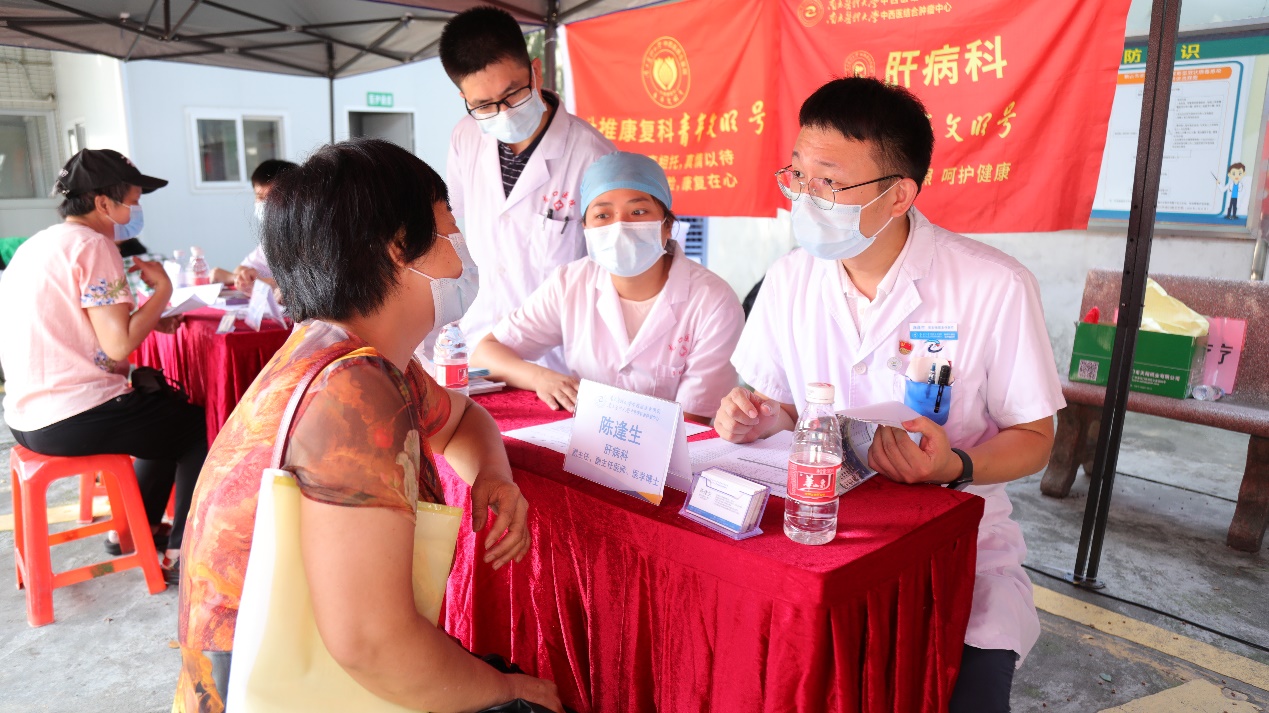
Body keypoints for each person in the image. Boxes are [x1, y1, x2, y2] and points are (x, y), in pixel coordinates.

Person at [713, 77, 1064, 713]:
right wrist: (756, 416)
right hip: (817, 538)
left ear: (899, 194)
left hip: (955, 555)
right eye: (798, 175)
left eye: (829, 182)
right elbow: (784, 405)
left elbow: (1036, 438)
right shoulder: (790, 279)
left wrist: (955, 465)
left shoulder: (994, 285)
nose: (806, 198)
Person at [175, 139, 560, 713]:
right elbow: (372, 644)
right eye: (449, 220)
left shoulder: (346, 354)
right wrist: (512, 691)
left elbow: (463, 419)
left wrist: (492, 476)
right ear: (400, 246)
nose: (460, 241)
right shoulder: (353, 390)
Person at [0, 148, 205, 582]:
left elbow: (75, 324)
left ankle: (132, 532)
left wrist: (150, 318)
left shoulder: (38, 244)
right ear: (103, 203)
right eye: (132, 202)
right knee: (197, 428)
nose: (135, 212)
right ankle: (184, 552)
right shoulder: (94, 245)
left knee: (160, 413)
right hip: (72, 414)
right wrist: (163, 291)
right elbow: (118, 345)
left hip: (25, 416)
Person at [473, 152, 742, 423]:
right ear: (586, 229)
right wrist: (541, 377)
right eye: (602, 215)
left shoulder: (714, 302)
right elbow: (485, 354)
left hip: (673, 446)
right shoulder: (570, 283)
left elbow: (693, 421)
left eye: (638, 212)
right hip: (584, 437)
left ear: (667, 225)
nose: (620, 226)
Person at [439, 6, 615, 370]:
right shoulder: (465, 135)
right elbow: (453, 225)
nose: (503, 112)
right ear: (464, 100)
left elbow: (608, 275)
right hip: (478, 347)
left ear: (536, 72)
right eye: (483, 104)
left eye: (513, 94)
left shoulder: (593, 156)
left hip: (556, 361)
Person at [233, 158, 297, 296]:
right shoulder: (272, 238)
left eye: (272, 198)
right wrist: (244, 277)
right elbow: (242, 269)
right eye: (260, 197)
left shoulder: (312, 235)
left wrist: (269, 283)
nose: (265, 205)